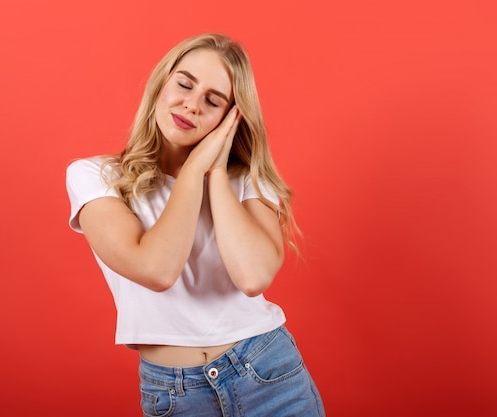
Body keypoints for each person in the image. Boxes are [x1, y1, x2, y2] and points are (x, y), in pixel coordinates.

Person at [66, 33, 325, 417]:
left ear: (230, 118)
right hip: (176, 393)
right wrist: (193, 172)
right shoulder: (95, 176)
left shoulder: (248, 181)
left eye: (213, 100)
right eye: (184, 84)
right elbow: (156, 268)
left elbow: (253, 277)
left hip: (269, 374)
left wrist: (216, 169)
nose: (191, 104)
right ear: (162, 83)